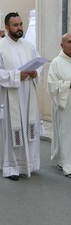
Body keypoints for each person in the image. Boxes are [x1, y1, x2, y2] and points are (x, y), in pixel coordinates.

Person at [0, 12, 41, 181]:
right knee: (12, 129)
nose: (19, 28)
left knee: (29, 125)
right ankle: (11, 166)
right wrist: (18, 76)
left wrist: (34, 72)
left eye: (20, 24)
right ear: (6, 27)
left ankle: (29, 164)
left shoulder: (28, 45)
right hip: (9, 97)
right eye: (15, 25)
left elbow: (38, 62)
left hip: (28, 95)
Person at [47, 33, 71, 177]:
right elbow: (52, 86)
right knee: (66, 134)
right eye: (69, 41)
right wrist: (68, 85)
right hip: (65, 104)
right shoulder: (56, 62)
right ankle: (67, 165)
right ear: (62, 45)